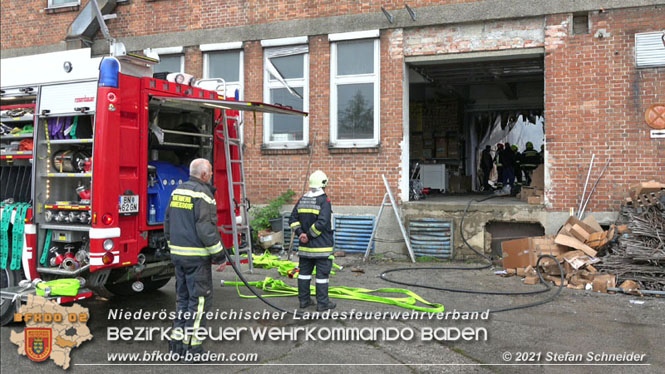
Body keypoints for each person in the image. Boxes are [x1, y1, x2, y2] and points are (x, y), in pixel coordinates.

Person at [164, 158, 226, 359]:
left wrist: (172, 245)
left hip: (178, 256)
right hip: (197, 259)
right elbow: (206, 228)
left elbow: (167, 222)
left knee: (182, 299)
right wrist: (219, 255)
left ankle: (177, 344)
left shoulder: (177, 191)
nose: (211, 177)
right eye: (210, 173)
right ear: (204, 174)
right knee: (199, 303)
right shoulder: (203, 194)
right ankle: (193, 348)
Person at [288, 170, 336, 312]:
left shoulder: (302, 200)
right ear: (324, 184)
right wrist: (309, 235)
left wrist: (300, 234)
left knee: (303, 274)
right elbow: (322, 222)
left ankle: (304, 301)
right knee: (322, 277)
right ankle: (322, 304)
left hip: (305, 249)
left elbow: (292, 219)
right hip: (321, 248)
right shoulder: (324, 201)